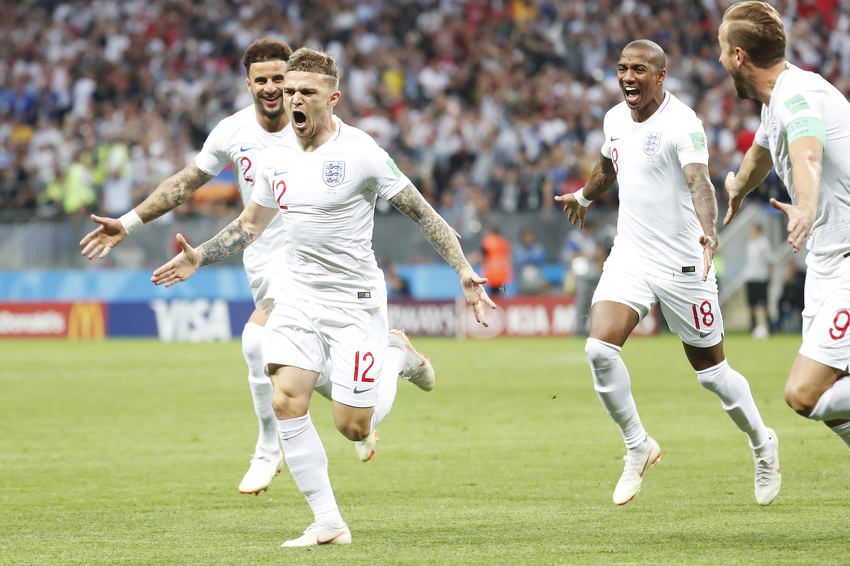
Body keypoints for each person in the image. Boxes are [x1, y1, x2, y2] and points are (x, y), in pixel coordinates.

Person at [151, 47, 495, 547]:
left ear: (332, 98)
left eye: (305, 92)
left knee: (353, 428)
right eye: (289, 91)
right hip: (297, 295)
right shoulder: (274, 158)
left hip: (354, 301)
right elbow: (250, 224)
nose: (293, 99)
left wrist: (464, 270)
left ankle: (396, 354)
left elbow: (423, 213)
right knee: (287, 397)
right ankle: (328, 522)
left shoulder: (363, 154)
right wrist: (199, 256)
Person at [78, 38, 435, 495]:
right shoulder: (232, 132)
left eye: (280, 80)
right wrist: (127, 222)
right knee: (317, 388)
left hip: (309, 267)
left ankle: (268, 449)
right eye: (262, 80)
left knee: (254, 339)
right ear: (248, 84)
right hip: (261, 261)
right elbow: (187, 183)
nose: (273, 89)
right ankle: (388, 363)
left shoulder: (319, 127)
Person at [556, 39, 781, 507]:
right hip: (631, 256)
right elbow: (607, 164)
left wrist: (709, 233)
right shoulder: (615, 119)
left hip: (684, 262)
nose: (627, 77)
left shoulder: (682, 123)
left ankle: (763, 443)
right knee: (598, 348)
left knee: (712, 373)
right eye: (621, 68)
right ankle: (637, 445)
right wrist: (584, 196)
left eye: (638, 69)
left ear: (660, 76)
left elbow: (699, 180)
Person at [720, 2, 850, 454]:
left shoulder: (797, 97)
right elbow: (760, 153)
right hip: (828, 263)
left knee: (803, 393)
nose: (719, 62)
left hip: (847, 261)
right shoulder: (777, 100)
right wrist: (737, 186)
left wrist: (806, 206)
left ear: (739, 56)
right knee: (832, 399)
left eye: (722, 51)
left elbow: (807, 151)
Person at [743, 223, 773, 337]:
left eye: (752, 230)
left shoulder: (764, 243)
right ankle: (753, 327)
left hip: (761, 277)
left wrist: (770, 276)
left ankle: (770, 328)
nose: (750, 232)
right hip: (750, 277)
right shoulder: (750, 243)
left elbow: (770, 261)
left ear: (758, 230)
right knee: (751, 305)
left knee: (765, 305)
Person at [480, 224, 513, 296]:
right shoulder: (505, 242)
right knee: (500, 293)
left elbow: (483, 255)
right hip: (503, 272)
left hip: (492, 272)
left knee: (493, 294)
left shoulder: (487, 242)